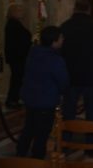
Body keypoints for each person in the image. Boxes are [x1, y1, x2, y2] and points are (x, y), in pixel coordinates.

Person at [61, 0, 93, 143]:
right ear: (89, 10)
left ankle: (66, 139)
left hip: (70, 74)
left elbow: (59, 50)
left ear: (74, 9)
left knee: (68, 109)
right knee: (92, 110)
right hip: (92, 74)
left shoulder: (65, 26)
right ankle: (91, 139)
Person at [17, 26, 68, 159]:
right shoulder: (55, 59)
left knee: (29, 128)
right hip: (46, 100)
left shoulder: (33, 54)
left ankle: (19, 156)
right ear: (54, 41)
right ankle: (37, 160)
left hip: (30, 98)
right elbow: (62, 81)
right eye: (61, 37)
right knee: (42, 133)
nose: (63, 40)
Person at [4, 3, 32, 109]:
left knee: (18, 78)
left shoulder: (16, 23)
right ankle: (12, 99)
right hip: (17, 56)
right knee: (17, 78)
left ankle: (14, 99)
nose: (22, 12)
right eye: (19, 10)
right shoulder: (13, 24)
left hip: (18, 56)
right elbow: (17, 41)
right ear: (13, 12)